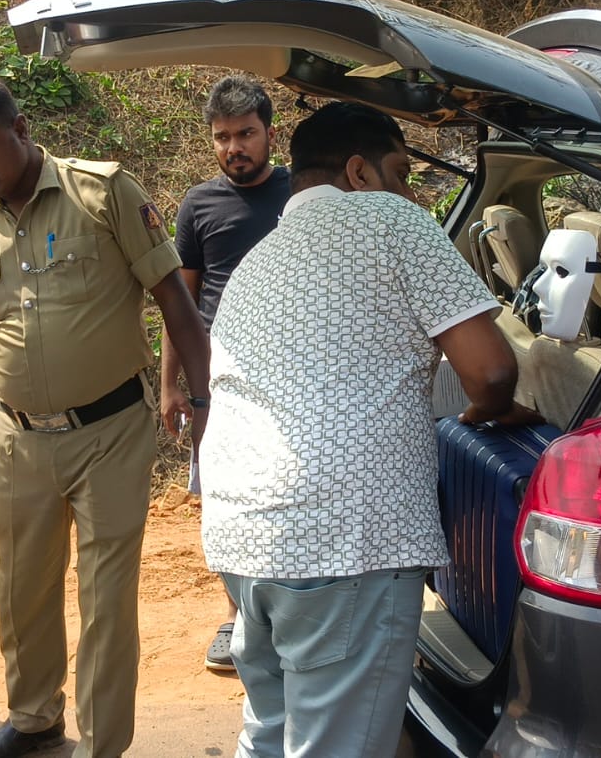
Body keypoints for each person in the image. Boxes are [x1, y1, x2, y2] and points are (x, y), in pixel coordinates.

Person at [198, 101, 535, 758]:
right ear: (358, 170)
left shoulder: (259, 259)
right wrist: (494, 413)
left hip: (240, 529)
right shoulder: (389, 218)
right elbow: (491, 373)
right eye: (402, 171)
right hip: (341, 539)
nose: (410, 190)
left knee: (271, 733)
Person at [0, 74, 212, 758]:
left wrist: (203, 404)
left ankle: (102, 745)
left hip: (110, 433)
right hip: (17, 441)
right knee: (19, 592)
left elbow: (174, 301)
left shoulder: (102, 193)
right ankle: (33, 720)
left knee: (106, 603)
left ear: (20, 129)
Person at [158, 75, 290, 672]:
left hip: (293, 374)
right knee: (223, 497)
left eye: (245, 134)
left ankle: (287, 612)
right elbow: (178, 303)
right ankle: (236, 617)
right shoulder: (199, 205)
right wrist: (172, 385)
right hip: (219, 379)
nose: (233, 147)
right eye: (222, 137)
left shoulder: (302, 193)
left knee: (289, 489)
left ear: (270, 132)